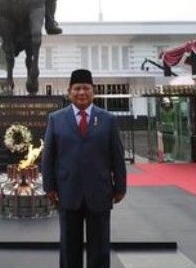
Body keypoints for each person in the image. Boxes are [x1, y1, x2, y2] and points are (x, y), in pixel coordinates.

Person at [42, 69, 127, 268]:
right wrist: (49, 187)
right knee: (69, 247)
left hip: (99, 192)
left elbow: (117, 156)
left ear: (93, 91)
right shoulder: (56, 119)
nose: (81, 92)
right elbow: (48, 157)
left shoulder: (108, 119)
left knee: (100, 248)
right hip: (68, 191)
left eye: (86, 88)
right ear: (69, 91)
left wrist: (120, 187)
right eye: (77, 88)